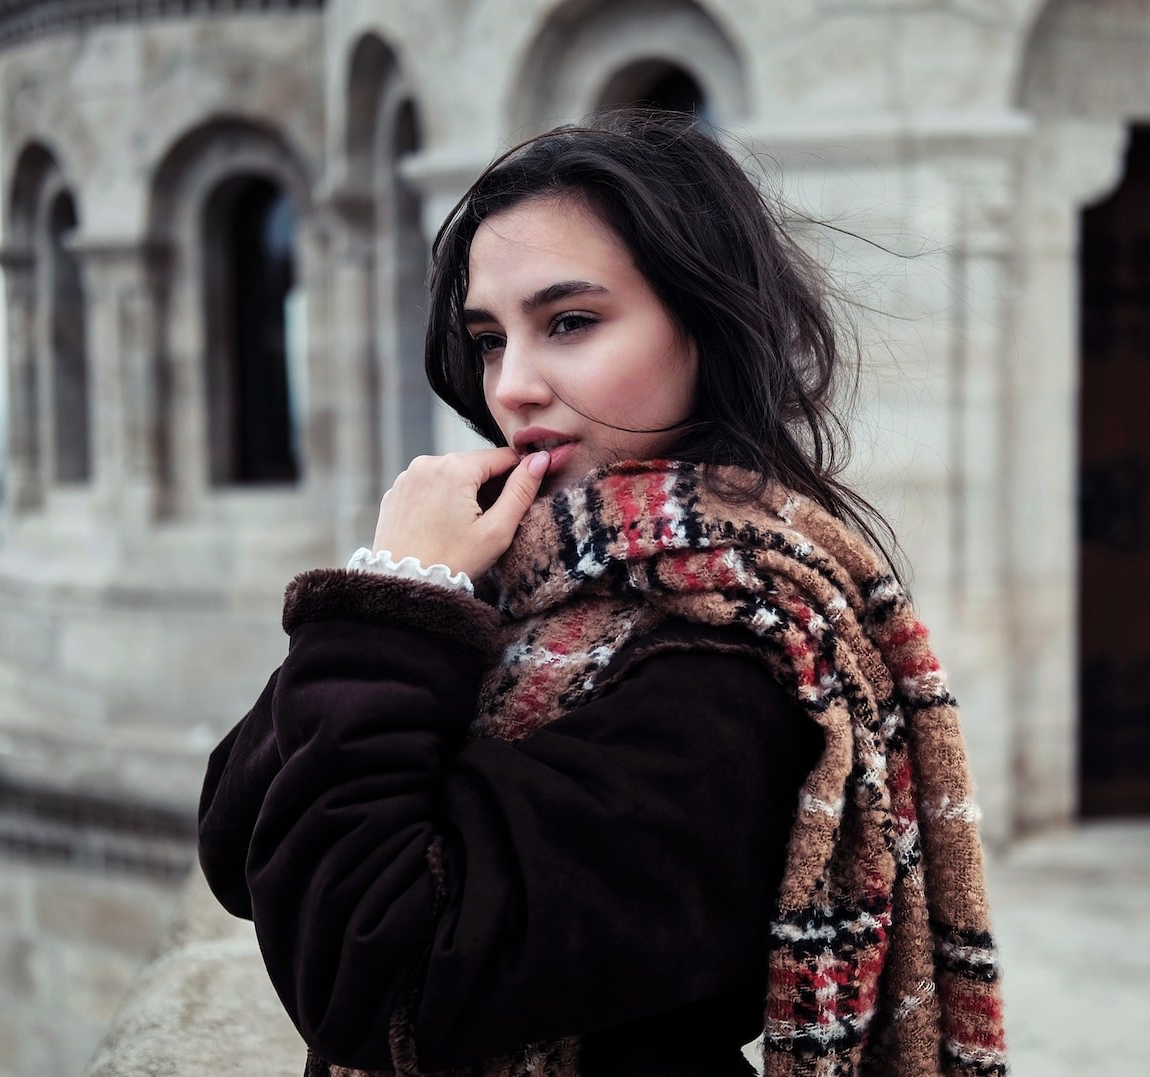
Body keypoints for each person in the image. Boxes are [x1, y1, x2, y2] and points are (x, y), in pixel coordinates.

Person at [197, 108, 1006, 1077]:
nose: (514, 387)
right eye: (491, 339)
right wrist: (399, 593)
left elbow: (378, 980)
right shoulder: (515, 579)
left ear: (703, 328)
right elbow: (237, 839)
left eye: (569, 323)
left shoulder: (736, 655)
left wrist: (392, 621)